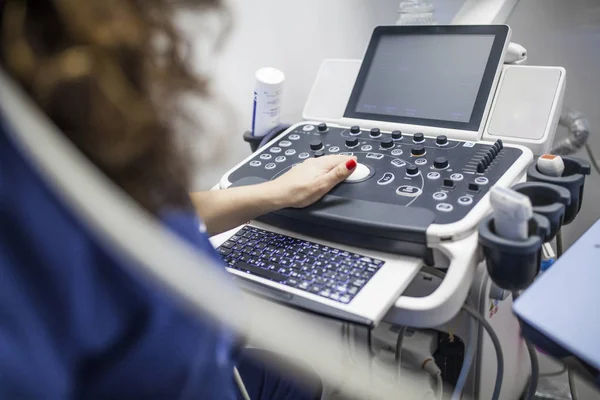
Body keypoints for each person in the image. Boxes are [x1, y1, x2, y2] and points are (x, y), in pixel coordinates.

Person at [0, 1, 357, 399]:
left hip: (209, 362)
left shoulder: (78, 124)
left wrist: (278, 192)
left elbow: (153, 212)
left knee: (297, 379)